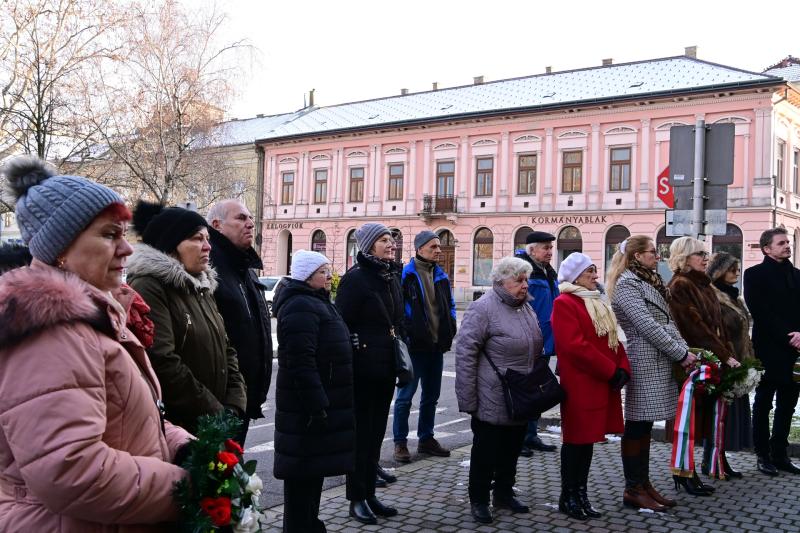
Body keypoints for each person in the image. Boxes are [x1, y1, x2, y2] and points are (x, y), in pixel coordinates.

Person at [0, 156, 192, 531]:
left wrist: (184, 446)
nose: (127, 249)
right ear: (60, 249)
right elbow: (70, 469)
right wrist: (190, 487)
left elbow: (121, 423)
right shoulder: (50, 332)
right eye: (109, 235)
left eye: (123, 233)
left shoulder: (90, 318)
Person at [128, 201, 247, 434]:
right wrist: (215, 411)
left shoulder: (201, 285)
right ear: (172, 245)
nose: (207, 247)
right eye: (196, 238)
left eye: (208, 239)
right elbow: (162, 360)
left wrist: (234, 403)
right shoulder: (149, 286)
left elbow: (227, 348)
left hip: (214, 423)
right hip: (179, 429)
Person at [608, 235, 696, 511]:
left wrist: (682, 348)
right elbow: (647, 326)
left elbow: (666, 322)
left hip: (657, 357)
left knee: (644, 424)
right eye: (651, 252)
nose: (656, 257)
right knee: (637, 422)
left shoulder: (648, 281)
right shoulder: (628, 285)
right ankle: (633, 487)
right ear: (636, 256)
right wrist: (680, 353)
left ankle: (643, 484)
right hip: (644, 359)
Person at [272, 250, 355, 533]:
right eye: (323, 272)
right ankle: (299, 527)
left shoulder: (317, 302)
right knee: (300, 478)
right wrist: (317, 404)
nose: (329, 276)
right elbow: (300, 361)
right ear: (307, 277)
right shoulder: (300, 306)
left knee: (312, 473)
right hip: (306, 411)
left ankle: (310, 524)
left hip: (319, 406)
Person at [456, 256, 542, 524]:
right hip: (491, 394)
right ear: (501, 282)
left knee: (512, 447)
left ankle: (503, 492)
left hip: (519, 394)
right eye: (518, 280)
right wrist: (469, 399)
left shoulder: (525, 307)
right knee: (486, 452)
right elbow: (465, 354)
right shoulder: (483, 308)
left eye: (525, 279)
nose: (524, 285)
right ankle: (479, 499)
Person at [552, 253, 630, 520]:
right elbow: (575, 347)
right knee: (575, 441)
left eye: (595, 271)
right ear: (575, 277)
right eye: (590, 272)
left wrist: (623, 367)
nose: (596, 276)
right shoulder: (565, 303)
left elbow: (613, 338)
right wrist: (610, 371)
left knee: (588, 443)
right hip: (582, 383)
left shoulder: (597, 301)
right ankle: (568, 495)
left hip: (600, 381)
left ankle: (581, 494)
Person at [335, 222, 404, 525]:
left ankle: (370, 493)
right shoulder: (355, 280)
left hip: (386, 368)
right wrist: (357, 348)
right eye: (384, 240)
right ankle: (356, 498)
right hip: (363, 370)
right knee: (361, 436)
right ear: (368, 246)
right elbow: (342, 323)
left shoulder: (390, 277)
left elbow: (398, 320)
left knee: (375, 434)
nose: (391, 245)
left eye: (392, 240)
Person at [667, 236, 737, 493]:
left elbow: (718, 325)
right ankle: (684, 473)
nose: (705, 257)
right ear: (684, 257)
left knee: (701, 421)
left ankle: (691, 471)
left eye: (705, 253)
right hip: (694, 363)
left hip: (712, 360)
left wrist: (727, 350)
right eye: (699, 253)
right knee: (690, 421)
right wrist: (722, 353)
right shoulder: (681, 285)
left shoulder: (703, 284)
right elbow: (695, 328)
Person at [207, 199, 273, 446]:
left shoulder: (244, 268)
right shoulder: (210, 267)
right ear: (217, 225)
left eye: (250, 218)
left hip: (244, 395)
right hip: (221, 398)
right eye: (241, 218)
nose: (250, 224)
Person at [393, 230, 457, 463]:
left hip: (436, 346)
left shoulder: (440, 274)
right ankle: (400, 442)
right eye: (433, 247)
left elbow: (449, 303)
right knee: (405, 397)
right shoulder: (405, 275)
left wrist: (451, 325)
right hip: (413, 347)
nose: (438, 251)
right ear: (419, 249)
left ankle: (426, 439)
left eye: (439, 247)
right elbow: (398, 309)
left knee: (431, 396)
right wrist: (407, 334)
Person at [743, 227, 800, 476]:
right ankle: (763, 455)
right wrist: (789, 335)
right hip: (768, 348)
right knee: (764, 402)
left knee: (788, 402)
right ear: (767, 248)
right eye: (781, 243)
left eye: (788, 242)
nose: (787, 246)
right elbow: (760, 311)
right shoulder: (754, 274)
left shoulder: (797, 275)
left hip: (795, 349)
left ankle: (780, 454)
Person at [704, 252, 753, 477]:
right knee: (719, 413)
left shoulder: (734, 296)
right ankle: (712, 460)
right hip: (725, 362)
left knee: (729, 414)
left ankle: (720, 458)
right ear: (720, 272)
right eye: (732, 269)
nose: (736, 273)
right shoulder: (713, 296)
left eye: (737, 269)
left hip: (738, 362)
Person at [514, 231, 559, 456]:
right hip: (528, 339)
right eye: (545, 248)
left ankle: (531, 435)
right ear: (532, 250)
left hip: (546, 340)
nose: (550, 252)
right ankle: (518, 439)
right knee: (524, 392)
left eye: (551, 247)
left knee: (537, 391)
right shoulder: (523, 271)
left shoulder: (548, 272)